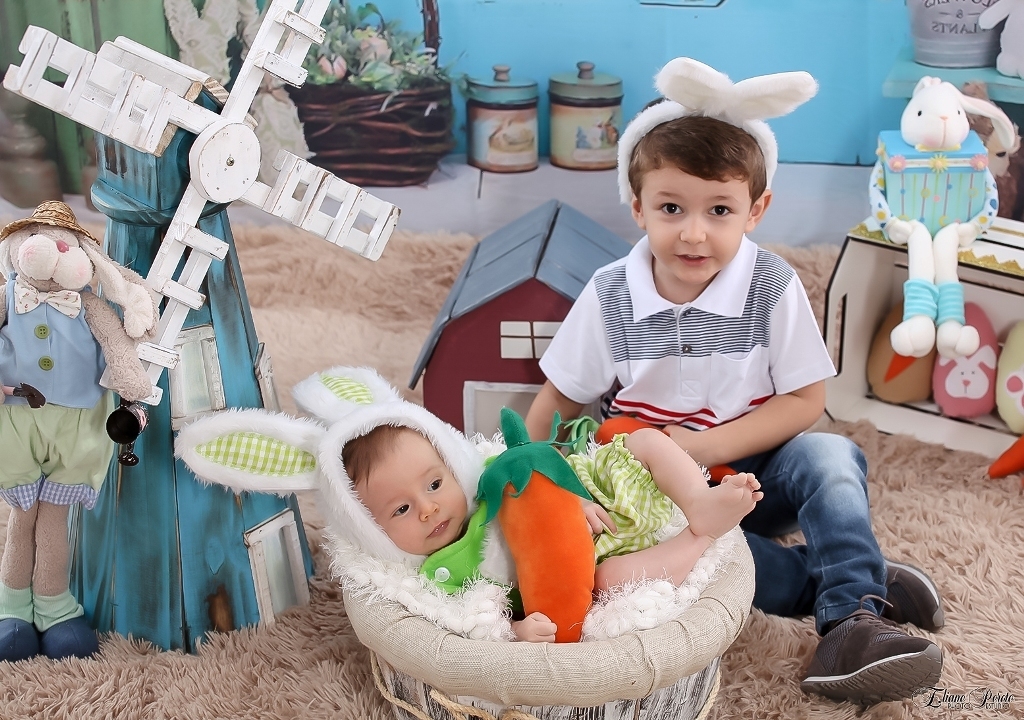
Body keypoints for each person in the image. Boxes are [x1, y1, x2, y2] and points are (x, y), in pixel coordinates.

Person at [524, 57, 946, 705]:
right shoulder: (612, 293)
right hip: (653, 491)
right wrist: (547, 483)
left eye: (719, 209)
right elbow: (557, 399)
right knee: (705, 558)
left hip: (756, 465)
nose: (694, 233)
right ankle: (856, 587)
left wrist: (704, 448)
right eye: (671, 208)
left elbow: (805, 400)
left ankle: (850, 627)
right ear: (638, 207)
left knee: (831, 457)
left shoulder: (770, 283)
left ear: (756, 209)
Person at [341, 419, 761, 642]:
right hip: (591, 568)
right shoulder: (439, 576)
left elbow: (539, 467)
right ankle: (700, 537)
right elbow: (471, 624)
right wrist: (515, 631)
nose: (428, 508)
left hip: (597, 501)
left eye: (434, 484)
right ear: (372, 530)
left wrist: (574, 499)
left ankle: (697, 500)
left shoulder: (486, 480)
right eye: (401, 509)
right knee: (610, 581)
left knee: (644, 441)